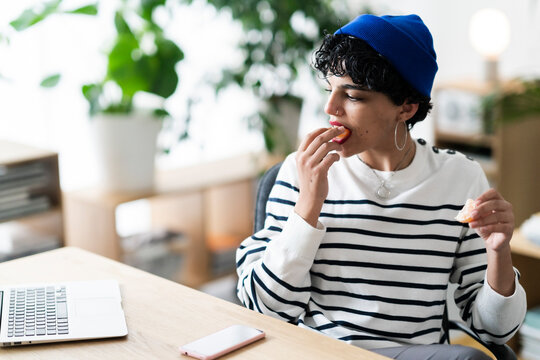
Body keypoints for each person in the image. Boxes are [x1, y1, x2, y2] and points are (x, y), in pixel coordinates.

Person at [236, 13, 526, 360]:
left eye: (353, 96)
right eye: (330, 90)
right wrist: (307, 210)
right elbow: (266, 311)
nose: (330, 108)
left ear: (407, 107)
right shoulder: (302, 173)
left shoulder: (461, 178)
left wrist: (499, 251)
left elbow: (494, 330)